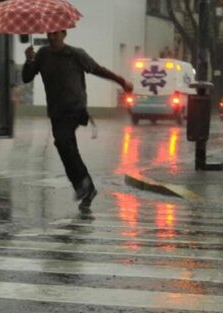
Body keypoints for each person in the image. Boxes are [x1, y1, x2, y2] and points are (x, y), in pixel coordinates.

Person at [22, 30, 133, 216]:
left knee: (64, 142)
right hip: (56, 110)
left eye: (56, 34)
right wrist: (28, 60)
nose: (52, 37)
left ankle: (85, 185)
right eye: (49, 34)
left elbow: (98, 69)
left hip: (74, 108)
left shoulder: (75, 54)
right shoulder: (42, 55)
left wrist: (121, 81)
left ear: (64, 34)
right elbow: (26, 78)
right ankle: (85, 188)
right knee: (64, 146)